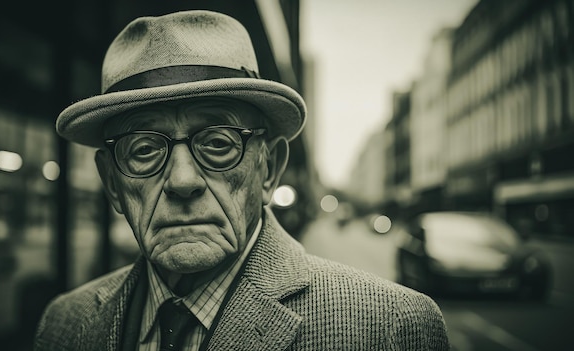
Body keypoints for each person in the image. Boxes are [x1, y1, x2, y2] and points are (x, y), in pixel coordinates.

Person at [34, 10, 450, 351]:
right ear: (112, 184)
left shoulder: (391, 328)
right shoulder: (65, 325)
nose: (182, 180)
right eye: (144, 149)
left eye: (217, 143)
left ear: (268, 169)